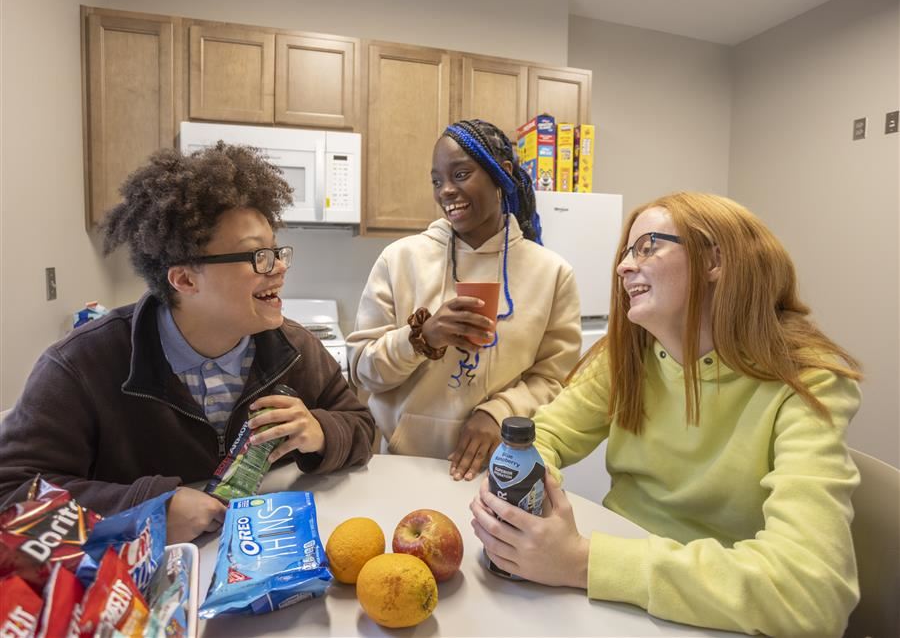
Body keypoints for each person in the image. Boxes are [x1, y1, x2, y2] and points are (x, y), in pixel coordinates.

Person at [470, 192, 862, 637]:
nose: (622, 267)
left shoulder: (807, 382)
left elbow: (811, 592)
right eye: (624, 253)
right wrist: (526, 501)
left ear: (714, 259)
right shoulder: (625, 358)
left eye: (647, 247)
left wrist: (582, 561)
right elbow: (544, 436)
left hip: (717, 616)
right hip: (618, 596)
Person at [0, 143, 376, 543]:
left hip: (262, 559)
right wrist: (148, 510)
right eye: (257, 256)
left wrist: (321, 431)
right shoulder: (82, 365)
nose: (280, 267)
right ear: (184, 280)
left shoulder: (295, 349)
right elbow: (12, 493)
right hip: (139, 586)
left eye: (277, 251)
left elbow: (362, 427)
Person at [348, 119, 581, 480]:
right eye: (437, 181)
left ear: (501, 174)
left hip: (501, 469)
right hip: (405, 465)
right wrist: (423, 338)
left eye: (460, 174)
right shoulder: (399, 260)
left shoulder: (551, 273)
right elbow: (364, 371)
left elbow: (555, 380)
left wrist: (498, 412)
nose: (446, 191)